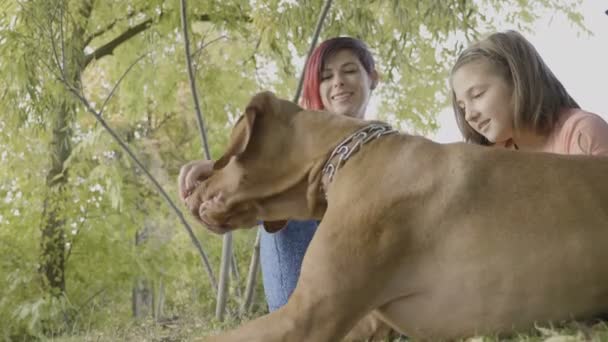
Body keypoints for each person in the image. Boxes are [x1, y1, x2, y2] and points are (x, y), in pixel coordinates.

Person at [178, 36, 379, 311]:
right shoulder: (297, 147)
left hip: (369, 285)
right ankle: (295, 320)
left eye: (350, 70)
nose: (338, 82)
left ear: (372, 78)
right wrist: (220, 172)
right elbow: (261, 179)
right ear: (316, 88)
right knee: (284, 196)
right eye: (326, 76)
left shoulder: (391, 148)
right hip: (303, 298)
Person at [450, 30, 608, 156]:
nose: (469, 116)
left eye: (477, 94)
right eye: (462, 107)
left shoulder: (581, 133)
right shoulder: (491, 157)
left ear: (518, 81)